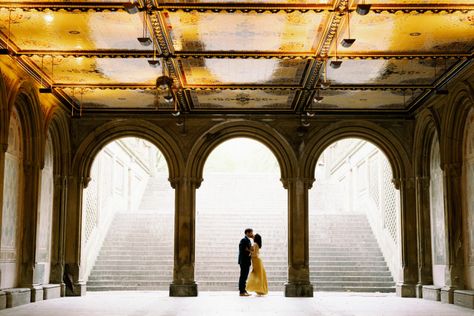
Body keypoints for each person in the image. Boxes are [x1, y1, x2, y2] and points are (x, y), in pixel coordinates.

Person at [238, 228, 253, 296]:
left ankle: (244, 290)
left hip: (246, 261)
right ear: (247, 233)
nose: (252, 234)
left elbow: (248, 249)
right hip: (244, 261)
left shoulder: (248, 240)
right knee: (243, 276)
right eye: (251, 233)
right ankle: (241, 291)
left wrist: (250, 250)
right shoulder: (243, 240)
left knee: (245, 276)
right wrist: (250, 251)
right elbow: (242, 250)